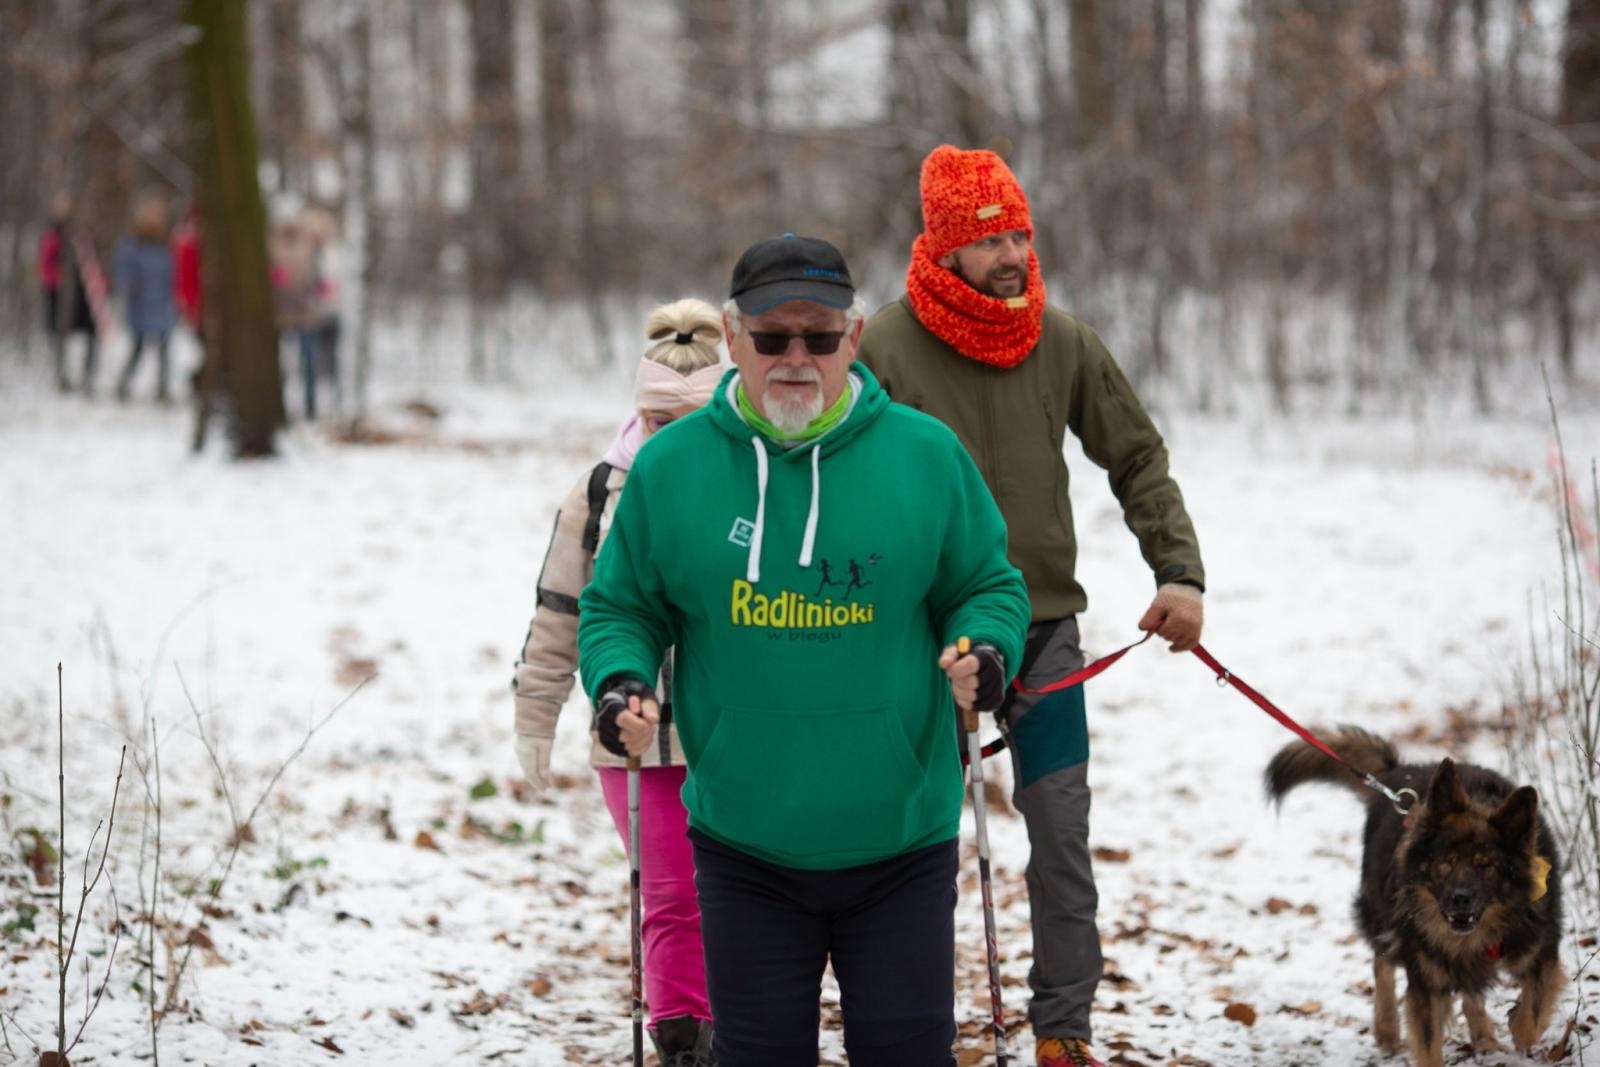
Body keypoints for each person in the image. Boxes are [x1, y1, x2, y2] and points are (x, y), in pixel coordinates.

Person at [577, 233, 1031, 1067]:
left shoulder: (925, 457)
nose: (796, 357)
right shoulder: (672, 468)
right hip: (744, 840)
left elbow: (987, 583)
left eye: (819, 337)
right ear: (730, 334)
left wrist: (987, 650)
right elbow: (620, 604)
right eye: (771, 336)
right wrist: (620, 680)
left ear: (852, 339)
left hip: (901, 835)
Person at [855, 146, 1206, 1067]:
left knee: (1060, 831)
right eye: (989, 237)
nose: (1012, 252)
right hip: (924, 643)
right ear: (943, 246)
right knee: (917, 841)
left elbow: (1136, 457)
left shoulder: (1062, 338)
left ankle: (1064, 1029)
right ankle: (909, 1022)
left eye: (1020, 231)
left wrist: (1180, 573)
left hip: (1045, 632)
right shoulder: (884, 347)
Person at [511, 298, 728, 1066]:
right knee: (671, 894)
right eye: (657, 419)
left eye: (689, 420)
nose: (671, 438)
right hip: (631, 734)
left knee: (741, 893)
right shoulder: (600, 493)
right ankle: (682, 1035)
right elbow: (559, 610)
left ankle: (747, 1020)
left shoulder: (747, 488)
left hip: (733, 729)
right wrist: (536, 715)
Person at [114, 193, 178, 402]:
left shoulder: (166, 243)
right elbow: (123, 269)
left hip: (162, 303)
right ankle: (123, 384)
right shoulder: (133, 243)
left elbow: (173, 272)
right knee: (138, 347)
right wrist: (130, 287)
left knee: (164, 349)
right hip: (141, 304)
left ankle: (163, 388)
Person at [37, 191, 102, 394]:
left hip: (81, 294)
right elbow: (44, 267)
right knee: (58, 335)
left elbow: (90, 262)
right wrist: (60, 278)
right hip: (59, 294)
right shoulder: (51, 236)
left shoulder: (81, 234)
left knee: (92, 333)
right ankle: (61, 377)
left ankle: (87, 378)